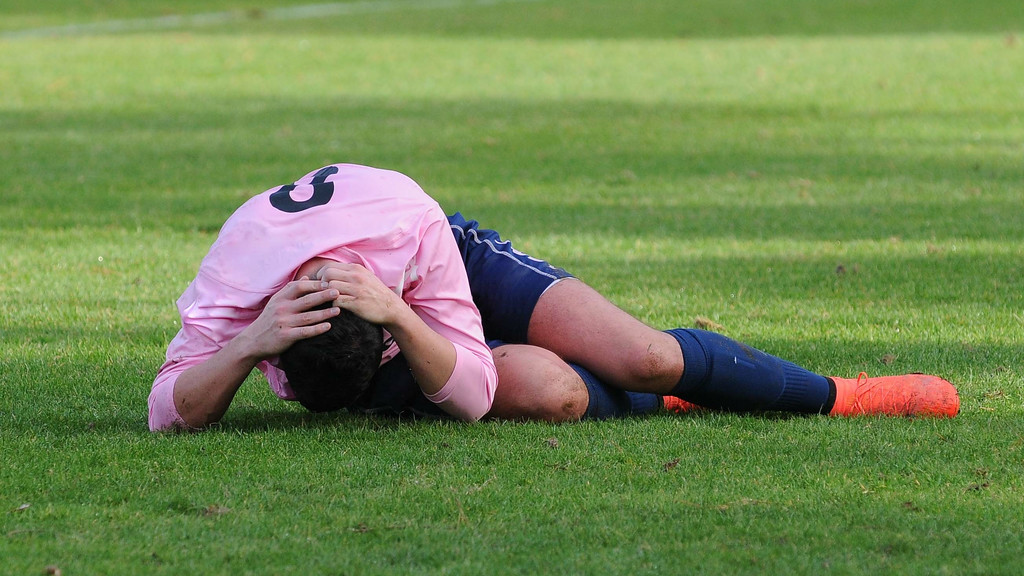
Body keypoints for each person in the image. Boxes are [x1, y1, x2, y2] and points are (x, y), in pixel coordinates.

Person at [149, 163, 959, 431]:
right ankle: (676, 398)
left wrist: (400, 310)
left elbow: (463, 380)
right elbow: (164, 410)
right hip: (363, 322)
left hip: (439, 271)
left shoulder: (407, 225)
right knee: (554, 390)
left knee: (647, 354)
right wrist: (250, 346)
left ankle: (845, 396)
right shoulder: (235, 285)